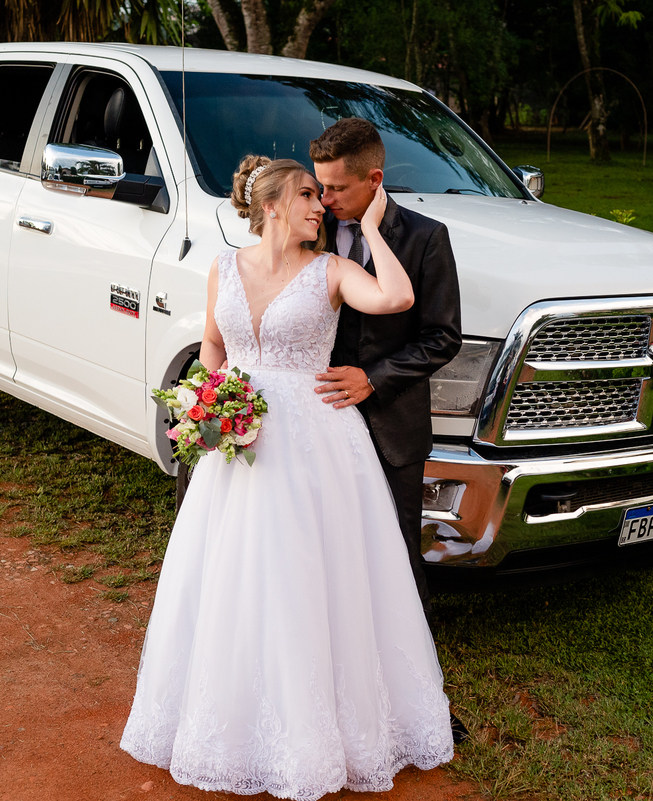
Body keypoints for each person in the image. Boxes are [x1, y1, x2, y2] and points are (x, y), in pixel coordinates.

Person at [120, 155, 454, 799]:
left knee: (310, 571)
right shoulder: (224, 267)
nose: (319, 205)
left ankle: (320, 733)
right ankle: (233, 723)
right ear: (269, 205)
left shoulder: (333, 270)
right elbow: (214, 343)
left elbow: (398, 297)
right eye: (307, 194)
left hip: (316, 437)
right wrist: (213, 397)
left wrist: (378, 230)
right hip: (238, 434)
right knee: (233, 571)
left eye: (320, 195)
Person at [309, 118, 463, 612]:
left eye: (336, 188)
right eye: (319, 186)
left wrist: (373, 379)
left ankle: (409, 655)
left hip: (394, 425)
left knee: (396, 545)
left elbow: (443, 338)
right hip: (319, 415)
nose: (324, 199)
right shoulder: (311, 230)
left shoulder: (425, 237)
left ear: (374, 180)